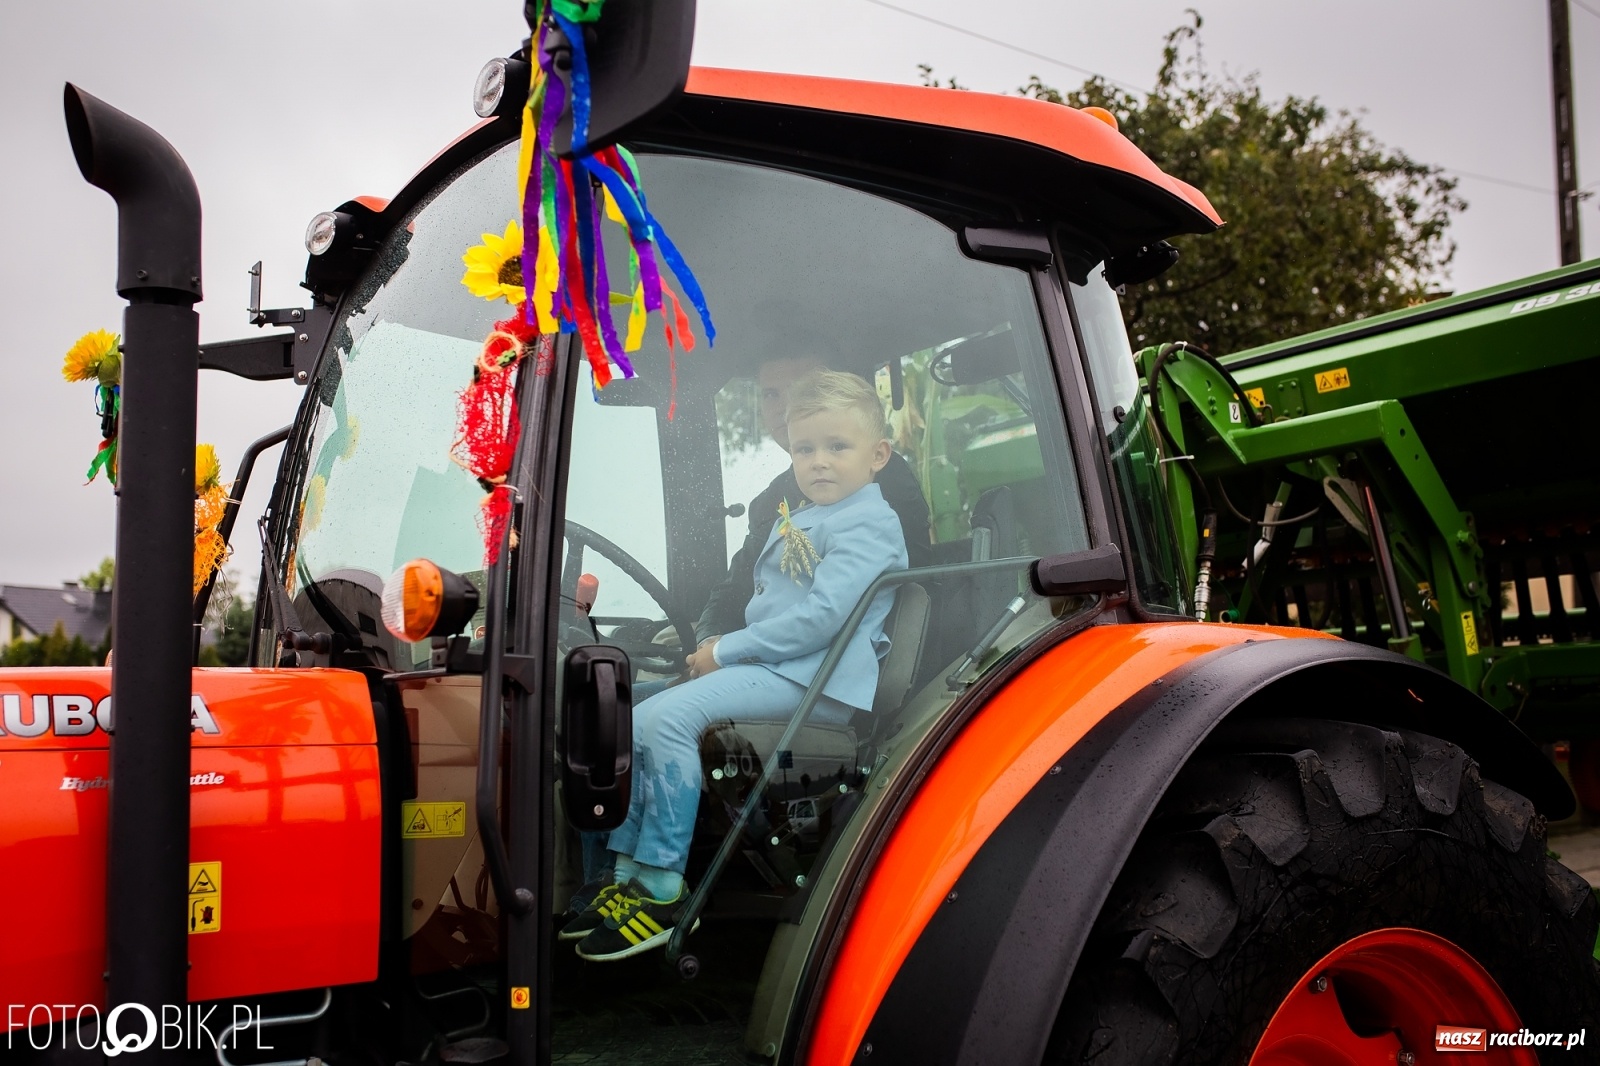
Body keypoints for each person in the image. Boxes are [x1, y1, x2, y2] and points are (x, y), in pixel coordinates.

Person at [563, 369, 909, 961]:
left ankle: (664, 886)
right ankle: (622, 879)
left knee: (663, 724)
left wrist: (724, 651)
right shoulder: (807, 514)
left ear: (878, 455)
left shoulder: (869, 524)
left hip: (813, 681)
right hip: (779, 670)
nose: (819, 461)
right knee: (621, 710)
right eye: (805, 449)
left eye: (837, 447)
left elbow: (822, 621)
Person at [695, 354, 931, 647]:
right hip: (757, 651)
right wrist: (708, 641)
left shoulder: (880, 480)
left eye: (800, 389)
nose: (783, 406)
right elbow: (736, 587)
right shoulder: (770, 500)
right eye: (771, 394)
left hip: (836, 661)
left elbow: (902, 590)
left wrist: (732, 652)